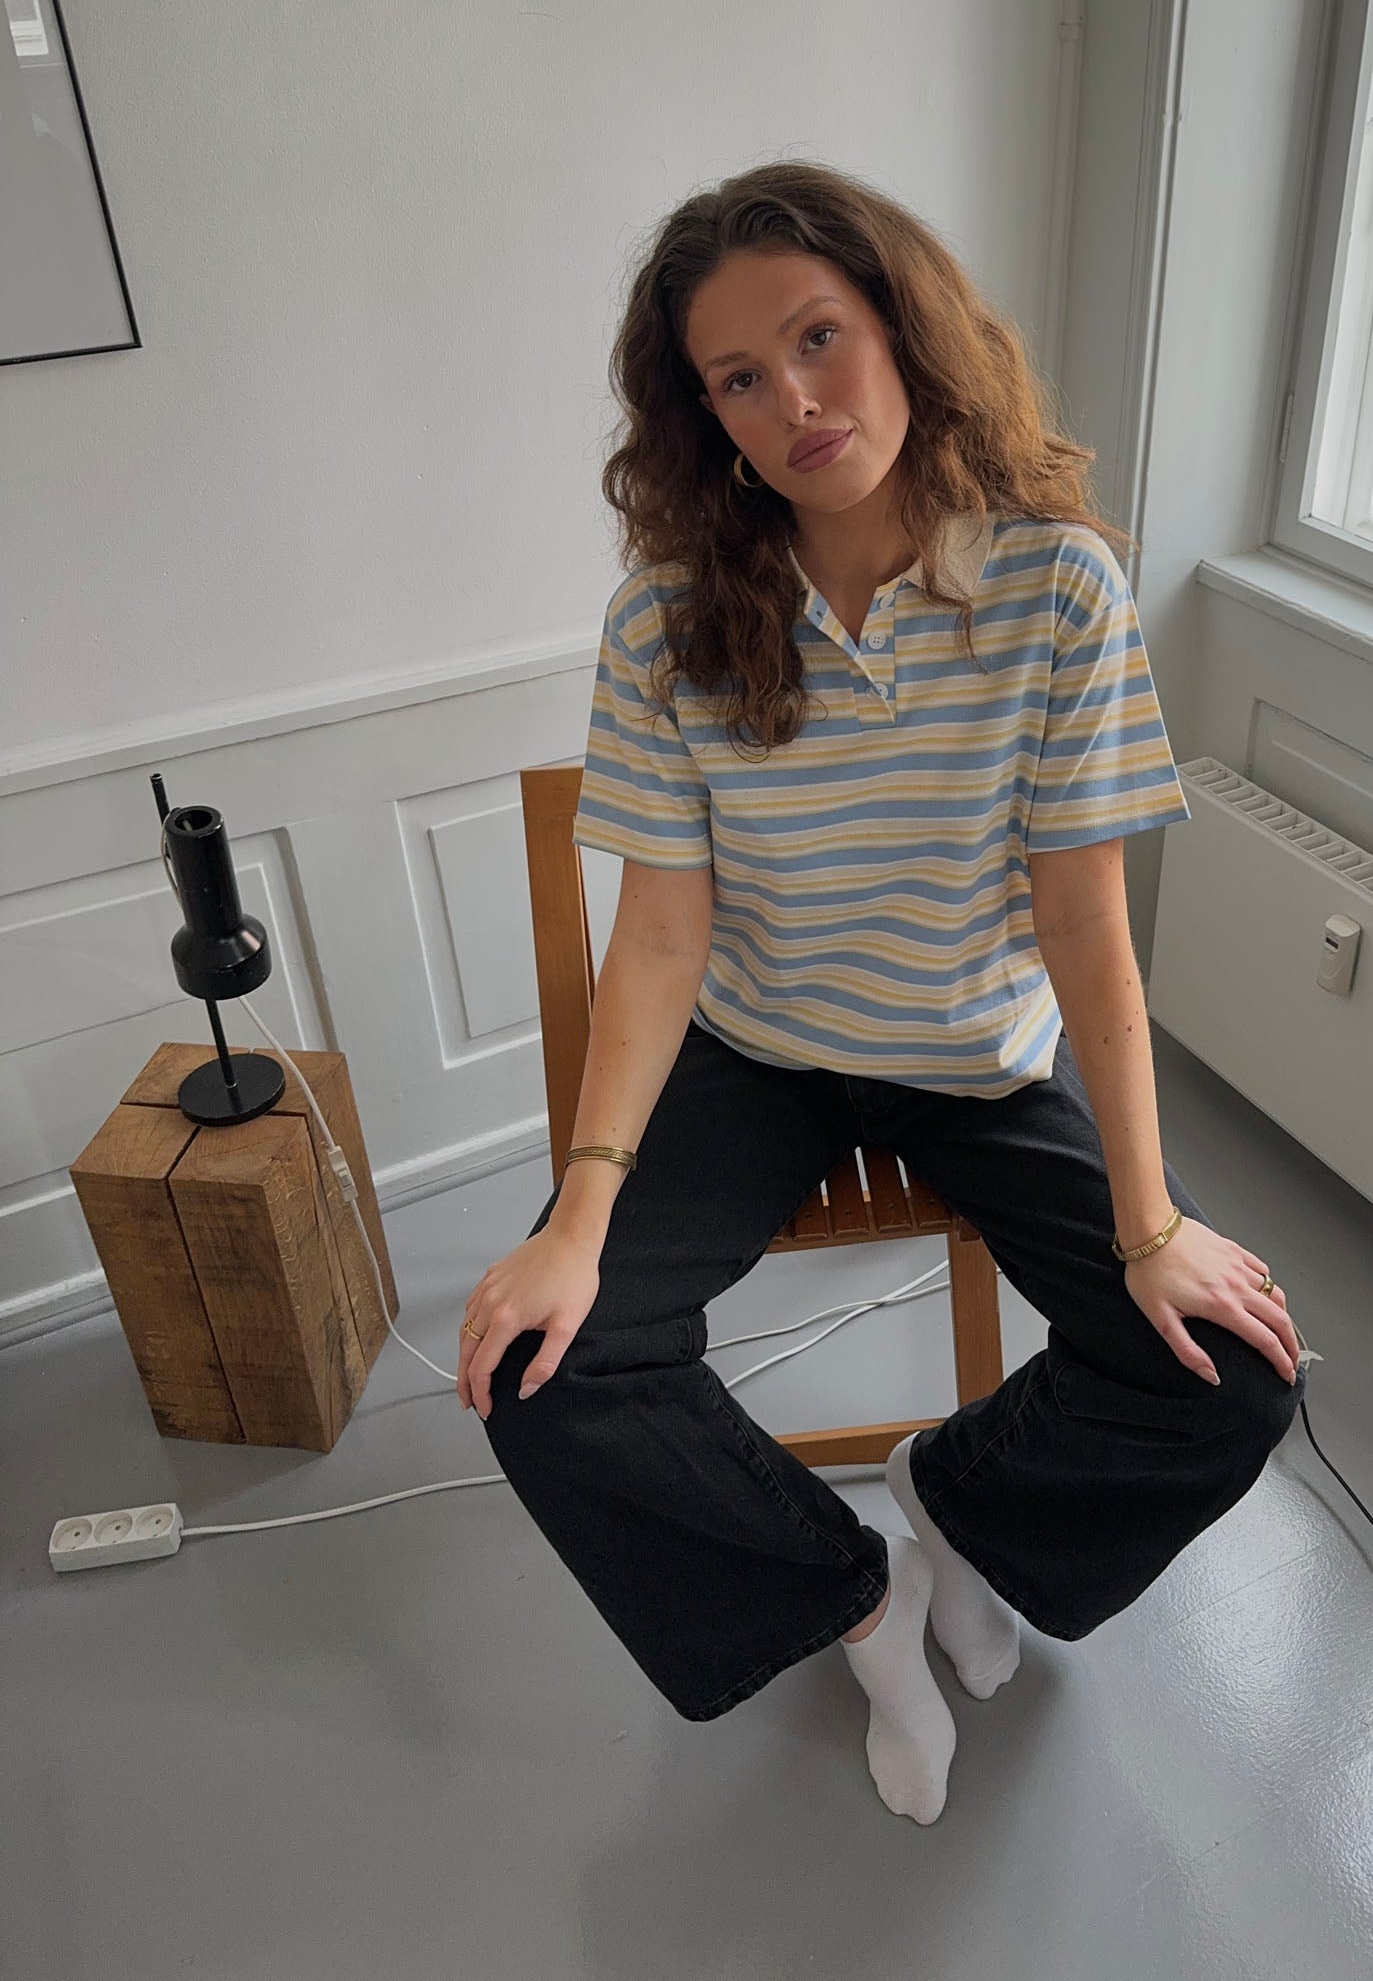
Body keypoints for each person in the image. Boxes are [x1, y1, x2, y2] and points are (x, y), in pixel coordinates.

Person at [456, 159, 1306, 1824]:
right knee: (542, 1372)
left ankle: (959, 1508)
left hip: (978, 1057)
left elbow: (1086, 931)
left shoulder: (1055, 588)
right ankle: (857, 1604)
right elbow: (658, 940)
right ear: (704, 416)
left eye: (817, 338)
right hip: (760, 1051)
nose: (792, 401)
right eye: (736, 378)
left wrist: (1150, 1224)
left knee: (1233, 1376)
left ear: (906, 330)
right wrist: (577, 1216)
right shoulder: (667, 621)